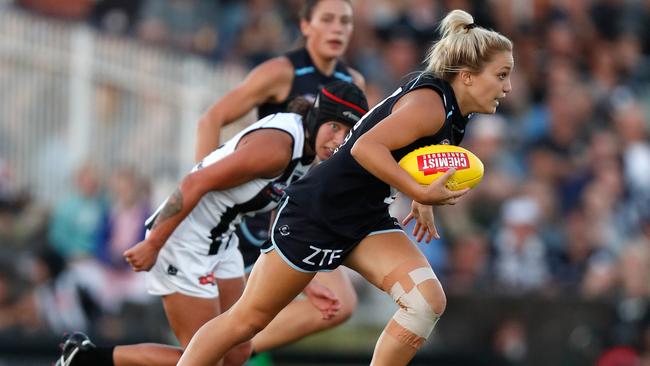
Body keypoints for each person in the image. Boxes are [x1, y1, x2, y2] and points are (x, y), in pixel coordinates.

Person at [178, 9, 514, 366]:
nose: (508, 87)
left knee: (425, 301)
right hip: (316, 214)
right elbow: (364, 147)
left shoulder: (454, 112)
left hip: (364, 217)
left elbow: (416, 157)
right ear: (467, 76)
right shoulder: (430, 106)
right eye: (502, 75)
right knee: (246, 321)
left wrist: (423, 197)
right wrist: (418, 191)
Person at [56, 81, 369, 366]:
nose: (339, 139)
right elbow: (195, 182)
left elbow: (274, 202)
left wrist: (308, 283)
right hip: (183, 241)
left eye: (348, 131)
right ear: (316, 118)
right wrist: (154, 243)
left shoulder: (306, 149)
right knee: (204, 359)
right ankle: (87, 359)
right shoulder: (276, 148)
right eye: (334, 126)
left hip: (220, 240)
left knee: (237, 353)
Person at [195, 0, 363, 355]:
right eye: (328, 19)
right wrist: (204, 191)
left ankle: (235, 351)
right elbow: (211, 118)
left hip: (307, 210)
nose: (337, 28)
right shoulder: (281, 72)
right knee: (227, 320)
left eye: (345, 21)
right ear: (305, 26)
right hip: (257, 209)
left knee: (340, 304)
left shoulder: (353, 83)